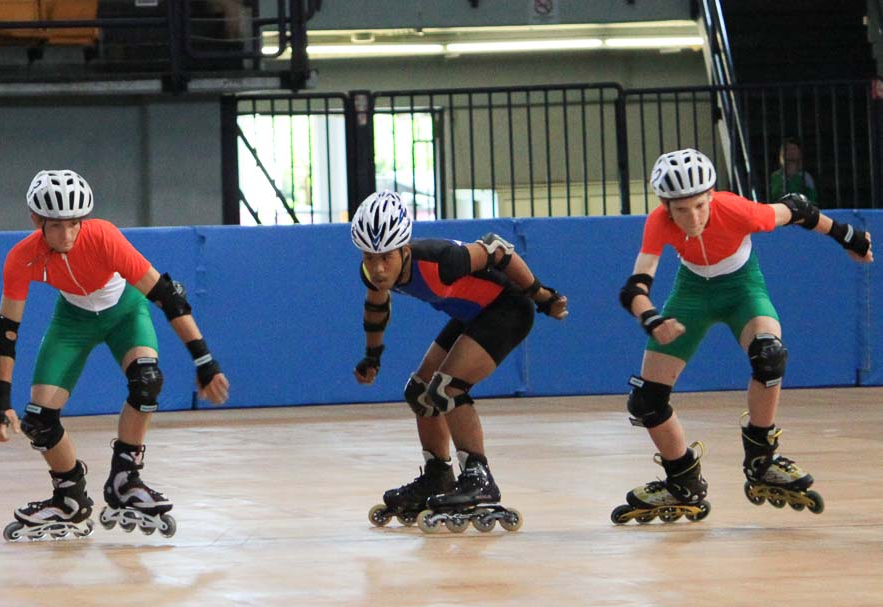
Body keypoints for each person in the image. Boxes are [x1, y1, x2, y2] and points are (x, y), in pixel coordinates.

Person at [612, 148, 872, 525]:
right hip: (691, 294)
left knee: (769, 357)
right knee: (646, 402)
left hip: (741, 288)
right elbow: (634, 286)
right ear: (665, 205)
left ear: (712, 195)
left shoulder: (737, 209)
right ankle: (682, 479)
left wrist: (849, 236)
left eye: (700, 206)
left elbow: (798, 208)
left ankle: (762, 459)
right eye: (680, 210)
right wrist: (652, 319)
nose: (693, 219)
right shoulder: (658, 220)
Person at [0, 169, 230, 541]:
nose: (67, 236)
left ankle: (125, 481)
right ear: (37, 221)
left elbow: (167, 296)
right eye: (55, 226)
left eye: (73, 224)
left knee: (147, 381)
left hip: (125, 311)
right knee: (38, 420)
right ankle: (69, 497)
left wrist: (204, 360)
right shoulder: (22, 257)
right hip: (73, 320)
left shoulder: (103, 236)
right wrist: (0, 400)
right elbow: (5, 333)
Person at [353, 191, 569, 534]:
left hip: (507, 309)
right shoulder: (373, 272)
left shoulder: (441, 260)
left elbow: (498, 250)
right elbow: (376, 307)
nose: (378, 269)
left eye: (386, 258)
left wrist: (543, 296)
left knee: (447, 387)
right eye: (369, 257)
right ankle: (438, 475)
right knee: (420, 391)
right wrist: (372, 355)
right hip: (472, 314)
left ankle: (478, 477)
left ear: (404, 249)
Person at [769, 137, 818, 205]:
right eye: (787, 149)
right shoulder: (775, 176)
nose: (790, 151)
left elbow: (812, 200)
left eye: (793, 149)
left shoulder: (806, 177)